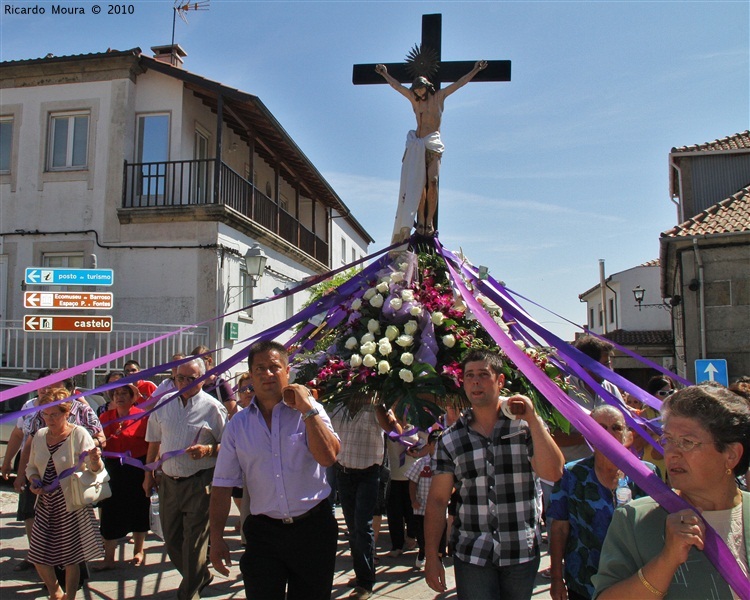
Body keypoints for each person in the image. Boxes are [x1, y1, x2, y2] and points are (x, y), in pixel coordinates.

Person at [424, 349, 564, 600]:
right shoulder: (451, 438)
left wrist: (532, 418)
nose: (475, 381)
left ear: (500, 381)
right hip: (472, 555)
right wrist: (432, 555)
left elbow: (553, 472)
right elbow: (437, 500)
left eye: (483, 375)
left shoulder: (524, 425)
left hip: (520, 551)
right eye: (469, 376)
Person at [209, 340, 340, 600]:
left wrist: (307, 409)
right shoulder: (238, 425)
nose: (267, 374)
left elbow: (328, 457)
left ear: (287, 371)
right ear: (251, 375)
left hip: (313, 530)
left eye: (274, 367)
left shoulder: (311, 411)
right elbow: (222, 485)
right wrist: (216, 538)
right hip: (263, 534)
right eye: (259, 369)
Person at [593, 385, 750, 599]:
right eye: (667, 440)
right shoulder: (635, 520)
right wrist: (666, 560)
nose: (672, 453)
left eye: (687, 442)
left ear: (731, 454)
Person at [547, 405, 659, 600]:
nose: (608, 433)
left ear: (627, 434)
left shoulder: (646, 475)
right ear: (590, 434)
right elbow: (559, 529)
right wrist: (556, 578)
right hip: (584, 583)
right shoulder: (572, 474)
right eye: (601, 427)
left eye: (616, 427)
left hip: (635, 582)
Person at [375, 60, 487, 242]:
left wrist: (475, 69)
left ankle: (429, 220)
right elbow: (397, 87)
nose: (418, 93)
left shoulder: (439, 97)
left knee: (433, 181)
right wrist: (384, 74)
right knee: (419, 185)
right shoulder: (415, 101)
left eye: (420, 89)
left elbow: (459, 83)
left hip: (433, 145)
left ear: (427, 86)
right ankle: (420, 222)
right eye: (416, 90)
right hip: (418, 145)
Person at [143, 357, 227, 600]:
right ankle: (200, 576)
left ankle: (188, 593)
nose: (185, 382)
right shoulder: (164, 404)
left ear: (202, 378)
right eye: (180, 378)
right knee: (171, 539)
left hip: (199, 482)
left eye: (192, 378)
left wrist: (208, 450)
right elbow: (154, 441)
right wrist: (148, 474)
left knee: (193, 544)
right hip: (168, 480)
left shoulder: (213, 408)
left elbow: (229, 445)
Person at [26, 388, 104, 600]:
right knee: (38, 555)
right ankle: (56, 592)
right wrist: (33, 480)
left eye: (55, 414)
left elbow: (95, 470)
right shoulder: (40, 436)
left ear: (66, 413)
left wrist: (95, 460)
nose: (49, 419)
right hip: (45, 503)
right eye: (46, 414)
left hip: (72, 503)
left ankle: (70, 597)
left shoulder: (79, 434)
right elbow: (31, 466)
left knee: (71, 558)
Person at [330, 395, 403, 599]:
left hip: (369, 474)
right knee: (353, 528)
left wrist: (381, 406)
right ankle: (362, 572)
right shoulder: (335, 404)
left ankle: (365, 582)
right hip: (343, 473)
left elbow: (396, 432)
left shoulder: (377, 405)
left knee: (362, 526)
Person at [95, 382, 150, 570]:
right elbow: (98, 440)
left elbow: (152, 445)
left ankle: (138, 551)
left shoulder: (142, 417)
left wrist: (151, 473)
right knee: (110, 512)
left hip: (136, 472)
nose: (120, 396)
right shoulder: (105, 417)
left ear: (133, 397)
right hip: (112, 472)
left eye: (124, 393)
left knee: (139, 509)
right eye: (116, 393)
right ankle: (108, 558)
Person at [405, 429, 444, 570]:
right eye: (434, 444)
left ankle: (438, 557)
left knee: (440, 532)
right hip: (421, 506)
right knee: (421, 532)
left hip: (440, 506)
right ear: (429, 445)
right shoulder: (421, 463)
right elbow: (412, 482)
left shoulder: (446, 462)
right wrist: (413, 500)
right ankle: (422, 551)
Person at [191, 345, 238, 417]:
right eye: (194, 362)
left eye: (200, 361)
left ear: (209, 360)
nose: (197, 365)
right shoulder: (192, 385)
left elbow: (233, 414)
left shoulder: (221, 385)